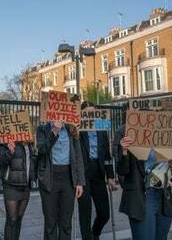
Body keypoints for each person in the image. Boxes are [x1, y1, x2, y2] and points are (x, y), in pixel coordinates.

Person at [114, 122, 172, 240]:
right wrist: (124, 152)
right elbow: (122, 171)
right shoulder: (129, 136)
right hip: (143, 196)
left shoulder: (166, 138)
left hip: (164, 197)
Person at [36, 117, 85, 240]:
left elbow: (78, 156)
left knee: (66, 222)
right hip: (49, 178)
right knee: (50, 223)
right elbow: (41, 150)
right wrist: (54, 132)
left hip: (68, 179)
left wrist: (79, 182)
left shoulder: (71, 129)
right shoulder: (42, 129)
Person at [78, 101, 116, 240]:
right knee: (85, 212)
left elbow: (107, 156)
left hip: (99, 174)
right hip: (83, 176)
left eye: (93, 112)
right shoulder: (78, 132)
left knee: (104, 213)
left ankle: (95, 233)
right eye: (87, 113)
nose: (90, 115)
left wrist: (110, 176)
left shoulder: (101, 131)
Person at [0, 138, 36, 240]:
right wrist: (10, 152)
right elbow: (0, 161)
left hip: (25, 185)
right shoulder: (6, 138)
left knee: (19, 218)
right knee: (12, 219)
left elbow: (33, 160)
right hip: (11, 185)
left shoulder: (30, 140)